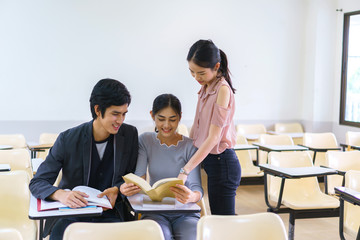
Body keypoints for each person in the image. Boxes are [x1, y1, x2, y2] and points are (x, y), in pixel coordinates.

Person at [29, 78, 139, 240]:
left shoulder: (129, 135)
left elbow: (131, 175)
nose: (120, 121)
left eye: (124, 114)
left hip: (112, 215)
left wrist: (117, 190)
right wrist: (61, 194)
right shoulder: (68, 139)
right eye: (115, 114)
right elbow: (38, 182)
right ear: (97, 110)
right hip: (72, 215)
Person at [120, 94, 203, 240]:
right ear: (152, 115)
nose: (166, 125)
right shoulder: (145, 140)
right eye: (161, 119)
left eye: (172, 119)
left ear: (180, 117)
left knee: (191, 236)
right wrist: (130, 188)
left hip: (185, 212)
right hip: (154, 211)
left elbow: (197, 188)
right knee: (160, 236)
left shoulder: (191, 146)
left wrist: (192, 196)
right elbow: (140, 179)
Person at [177, 39, 241, 215]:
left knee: (224, 221)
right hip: (213, 162)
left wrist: (185, 170)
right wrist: (185, 152)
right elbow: (197, 127)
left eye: (201, 73)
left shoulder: (223, 90)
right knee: (219, 218)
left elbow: (213, 137)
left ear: (216, 66)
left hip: (224, 164)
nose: (197, 78)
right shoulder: (205, 86)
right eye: (192, 72)